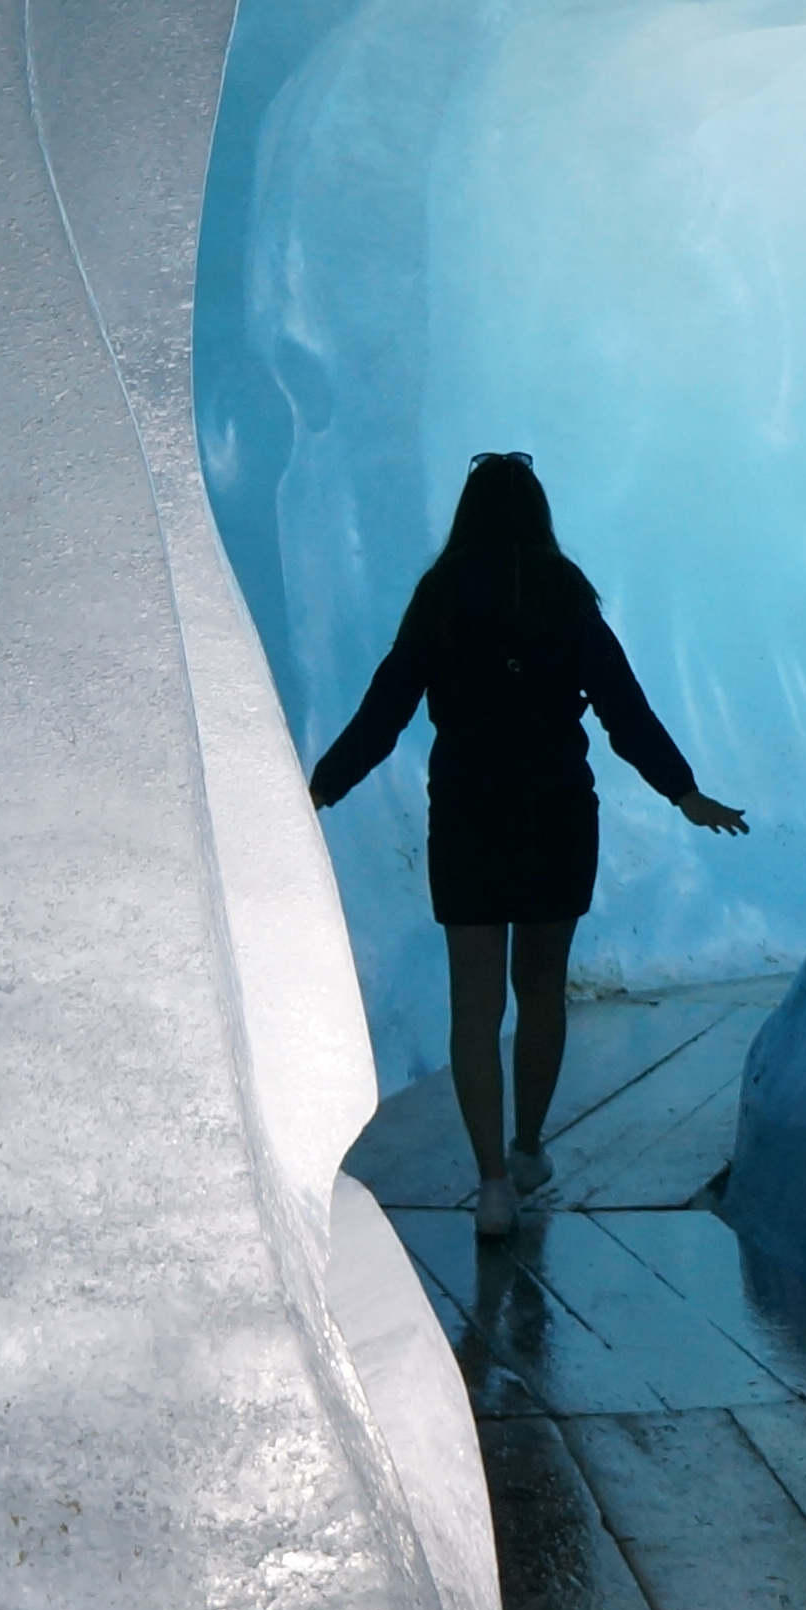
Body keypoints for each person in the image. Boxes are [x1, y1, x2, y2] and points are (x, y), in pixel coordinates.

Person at [308, 452, 747, 1239]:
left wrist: (321, 788)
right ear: (537, 514)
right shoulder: (563, 591)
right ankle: (529, 1147)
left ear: (467, 514)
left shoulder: (440, 596)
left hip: (468, 814)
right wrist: (683, 792)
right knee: (541, 990)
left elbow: (385, 710)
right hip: (556, 812)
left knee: (474, 1006)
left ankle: (490, 1186)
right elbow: (624, 708)